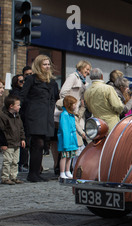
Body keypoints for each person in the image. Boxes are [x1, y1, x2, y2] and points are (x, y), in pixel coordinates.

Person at [20, 55, 58, 183]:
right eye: (44, 64)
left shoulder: (52, 81)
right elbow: (23, 96)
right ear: (38, 65)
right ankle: (33, 173)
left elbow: (54, 98)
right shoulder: (31, 79)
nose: (47, 66)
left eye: (48, 64)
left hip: (46, 116)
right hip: (34, 115)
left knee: (42, 144)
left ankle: (36, 172)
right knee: (37, 143)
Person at [58, 60, 91, 169]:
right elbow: (63, 92)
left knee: (78, 140)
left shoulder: (83, 80)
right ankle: (67, 168)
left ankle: (73, 168)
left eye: (89, 70)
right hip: (72, 110)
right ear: (81, 67)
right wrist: (71, 103)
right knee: (72, 140)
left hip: (78, 111)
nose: (88, 71)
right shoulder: (73, 77)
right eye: (87, 69)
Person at [83, 68, 124, 133]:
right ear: (102, 76)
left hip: (97, 125)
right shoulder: (108, 88)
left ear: (90, 78)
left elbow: (90, 109)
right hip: (111, 123)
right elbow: (118, 106)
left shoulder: (87, 92)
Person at [0, 95, 26, 185]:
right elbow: (2, 131)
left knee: (15, 161)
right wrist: (3, 143)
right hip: (8, 142)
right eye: (18, 105)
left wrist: (22, 138)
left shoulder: (17, 116)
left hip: (17, 142)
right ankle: (5, 177)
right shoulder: (3, 116)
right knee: (7, 161)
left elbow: (21, 128)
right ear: (11, 106)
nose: (19, 107)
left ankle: (13, 176)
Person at [57, 95, 79, 180]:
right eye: (74, 104)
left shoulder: (70, 115)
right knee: (64, 157)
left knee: (70, 157)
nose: (75, 106)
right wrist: (66, 142)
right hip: (66, 140)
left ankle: (67, 170)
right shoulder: (64, 115)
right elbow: (64, 129)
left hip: (71, 140)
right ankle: (62, 171)